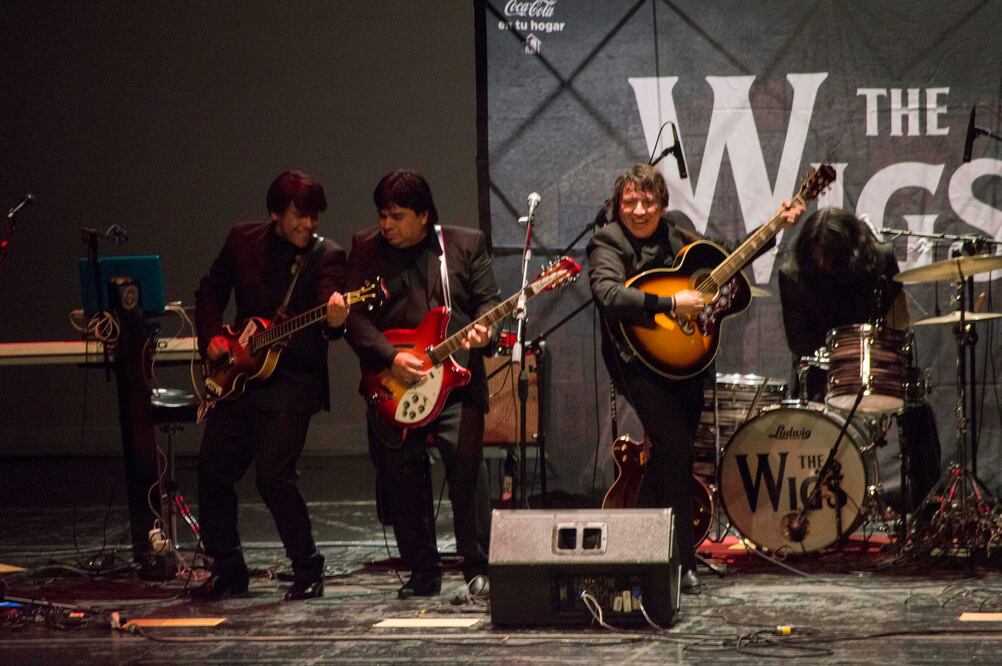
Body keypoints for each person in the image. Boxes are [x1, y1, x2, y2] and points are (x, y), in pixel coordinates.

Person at [588, 163, 804, 591]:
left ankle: (641, 548)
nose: (639, 209)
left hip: (687, 361)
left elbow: (729, 257)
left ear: (662, 204)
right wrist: (669, 306)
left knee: (672, 454)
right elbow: (609, 295)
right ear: (618, 205)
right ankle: (682, 561)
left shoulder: (676, 234)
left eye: (648, 200)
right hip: (636, 360)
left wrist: (775, 225)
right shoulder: (607, 241)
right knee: (675, 449)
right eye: (630, 201)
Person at [192, 170, 348, 601]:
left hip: (293, 380)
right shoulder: (242, 240)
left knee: (274, 477)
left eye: (315, 216)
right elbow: (209, 292)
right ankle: (228, 569)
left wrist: (336, 320)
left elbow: (331, 319)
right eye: (301, 215)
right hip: (241, 374)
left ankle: (308, 569)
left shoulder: (327, 256)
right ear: (275, 213)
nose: (309, 225)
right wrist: (214, 340)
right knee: (212, 469)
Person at [345, 169, 499, 601]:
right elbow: (354, 319)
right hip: (392, 379)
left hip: (455, 379)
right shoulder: (365, 250)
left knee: (467, 469)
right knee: (401, 474)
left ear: (424, 215)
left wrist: (484, 332)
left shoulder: (465, 245)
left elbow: (489, 301)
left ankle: (477, 567)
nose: (386, 225)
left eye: (396, 216)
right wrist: (392, 357)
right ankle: (422, 570)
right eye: (382, 215)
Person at [778, 207, 939, 512]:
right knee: (798, 413)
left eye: (829, 256)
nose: (822, 262)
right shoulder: (793, 273)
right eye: (816, 255)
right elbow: (798, 340)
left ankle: (925, 511)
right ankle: (811, 508)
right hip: (823, 370)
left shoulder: (878, 259)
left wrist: (885, 353)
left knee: (920, 412)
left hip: (875, 363)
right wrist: (838, 356)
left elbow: (897, 317)